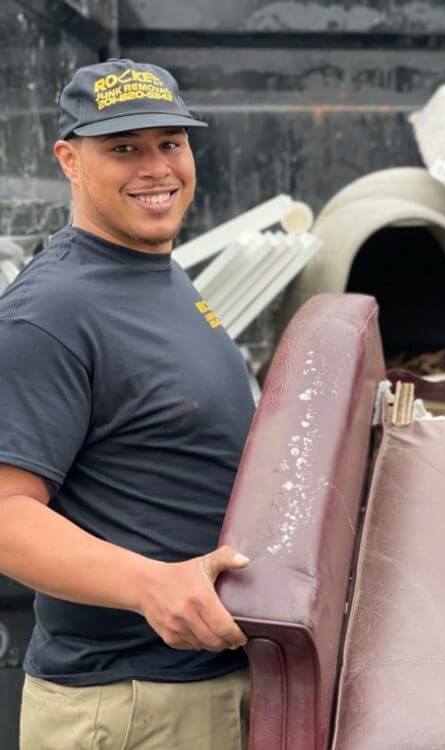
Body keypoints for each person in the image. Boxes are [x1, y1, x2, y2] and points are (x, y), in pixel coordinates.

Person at [0, 59, 255, 749]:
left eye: (170, 143)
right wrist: (151, 586)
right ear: (69, 159)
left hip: (204, 687)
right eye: (123, 148)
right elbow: (5, 516)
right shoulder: (50, 312)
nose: (156, 168)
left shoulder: (162, 275)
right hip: (130, 707)